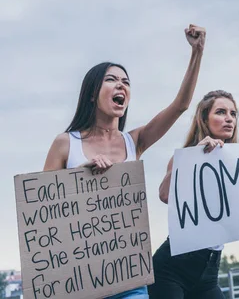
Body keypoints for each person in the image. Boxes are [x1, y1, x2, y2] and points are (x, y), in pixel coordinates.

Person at [42, 25, 206, 298]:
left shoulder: (135, 141)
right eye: (111, 79)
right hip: (76, 280)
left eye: (126, 82)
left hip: (127, 278)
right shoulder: (64, 143)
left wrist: (197, 52)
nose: (121, 85)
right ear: (92, 93)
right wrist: (80, 176)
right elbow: (44, 210)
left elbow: (181, 105)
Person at [149, 51, 239, 299]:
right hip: (171, 268)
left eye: (233, 113)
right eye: (221, 112)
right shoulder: (187, 155)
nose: (229, 118)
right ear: (204, 118)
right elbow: (165, 194)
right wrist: (197, 155)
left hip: (209, 271)